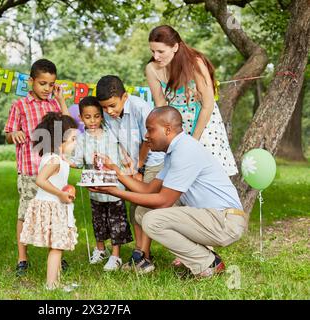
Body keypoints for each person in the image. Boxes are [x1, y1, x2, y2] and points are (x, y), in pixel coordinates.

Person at [91, 106, 246, 278]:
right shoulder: (175, 151)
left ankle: (208, 263)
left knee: (152, 220)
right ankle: (204, 257)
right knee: (143, 212)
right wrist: (116, 172)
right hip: (212, 217)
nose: (146, 136)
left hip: (225, 222)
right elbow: (148, 190)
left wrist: (114, 192)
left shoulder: (185, 150)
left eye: (150, 130)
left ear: (167, 129)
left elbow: (163, 201)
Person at [4, 59, 70, 276]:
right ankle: (22, 258)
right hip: (30, 170)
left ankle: (56, 256)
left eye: (51, 84)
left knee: (55, 213)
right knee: (25, 213)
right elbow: (8, 134)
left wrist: (61, 100)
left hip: (52, 171)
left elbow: (69, 128)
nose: (47, 88)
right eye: (42, 83)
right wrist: (13, 134)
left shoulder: (54, 105)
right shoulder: (20, 106)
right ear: (31, 81)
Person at [145, 25, 238, 176]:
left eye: (161, 51)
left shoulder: (195, 63)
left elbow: (208, 105)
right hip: (178, 126)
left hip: (203, 123)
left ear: (175, 47)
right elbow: (161, 106)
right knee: (180, 175)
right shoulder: (152, 69)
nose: (156, 57)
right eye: (153, 51)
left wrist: (194, 141)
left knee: (206, 174)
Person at [96, 75, 164, 271]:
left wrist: (140, 169)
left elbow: (148, 141)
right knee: (134, 205)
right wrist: (129, 166)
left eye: (112, 106)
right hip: (133, 164)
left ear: (124, 97)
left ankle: (143, 256)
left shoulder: (140, 108)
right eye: (105, 107)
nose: (109, 111)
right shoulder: (108, 113)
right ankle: (141, 253)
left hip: (152, 161)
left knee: (144, 206)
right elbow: (119, 141)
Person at [67, 96, 133, 271]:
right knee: (98, 221)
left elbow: (123, 155)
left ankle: (116, 255)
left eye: (96, 116)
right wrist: (62, 160)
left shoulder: (111, 133)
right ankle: (100, 249)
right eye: (88, 117)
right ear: (81, 118)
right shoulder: (81, 139)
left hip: (114, 187)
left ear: (102, 116)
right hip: (95, 189)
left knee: (116, 221)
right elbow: (78, 161)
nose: (93, 120)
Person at [20, 112, 78, 290]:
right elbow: (40, 181)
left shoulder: (55, 157)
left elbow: (63, 167)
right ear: (60, 141)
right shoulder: (54, 160)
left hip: (52, 205)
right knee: (57, 247)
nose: (76, 143)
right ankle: (52, 285)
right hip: (53, 205)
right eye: (73, 139)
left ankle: (56, 281)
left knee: (55, 246)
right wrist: (60, 194)